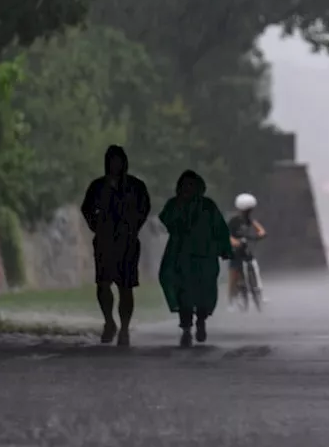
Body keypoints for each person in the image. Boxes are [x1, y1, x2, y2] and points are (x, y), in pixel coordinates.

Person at [80, 145, 151, 346]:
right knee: (103, 284)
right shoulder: (98, 187)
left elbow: (145, 207)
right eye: (112, 161)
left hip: (127, 242)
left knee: (126, 286)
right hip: (104, 241)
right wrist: (96, 226)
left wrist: (134, 225)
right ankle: (109, 321)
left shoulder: (135, 187)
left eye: (118, 160)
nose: (115, 165)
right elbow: (86, 208)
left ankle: (125, 328)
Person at [158, 170, 232, 348]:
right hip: (180, 256)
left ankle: (201, 320)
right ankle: (186, 328)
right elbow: (166, 220)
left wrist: (225, 249)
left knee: (204, 291)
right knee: (183, 292)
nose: (188, 189)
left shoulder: (208, 206)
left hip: (205, 256)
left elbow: (220, 228)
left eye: (192, 185)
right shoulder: (174, 205)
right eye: (185, 185)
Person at [227, 193, 267, 309]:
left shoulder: (248, 219)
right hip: (234, 250)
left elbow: (259, 228)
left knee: (254, 265)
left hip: (245, 248)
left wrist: (261, 233)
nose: (248, 212)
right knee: (233, 274)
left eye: (250, 210)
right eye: (247, 210)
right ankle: (231, 300)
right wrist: (234, 241)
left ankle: (259, 292)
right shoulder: (233, 220)